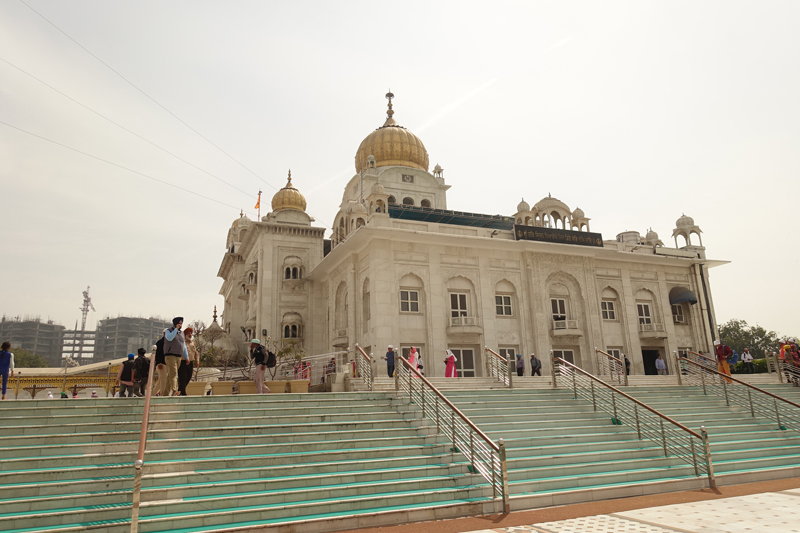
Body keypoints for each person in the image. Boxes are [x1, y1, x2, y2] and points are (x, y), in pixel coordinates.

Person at [163, 317, 188, 396]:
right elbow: (169, 338)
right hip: (170, 355)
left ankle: (165, 393)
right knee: (173, 373)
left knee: (171, 374)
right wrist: (175, 330)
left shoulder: (182, 333)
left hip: (178, 356)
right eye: (179, 323)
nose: (180, 325)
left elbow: (183, 345)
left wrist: (186, 357)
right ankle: (175, 391)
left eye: (181, 324)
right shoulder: (169, 331)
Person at [179, 327, 199, 396]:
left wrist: (197, 361)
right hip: (183, 362)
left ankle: (180, 390)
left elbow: (196, 353)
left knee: (189, 377)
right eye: (188, 333)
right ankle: (183, 392)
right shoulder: (182, 342)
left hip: (190, 362)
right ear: (185, 334)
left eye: (191, 333)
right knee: (183, 378)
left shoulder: (193, 343)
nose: (190, 335)